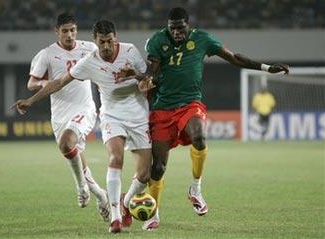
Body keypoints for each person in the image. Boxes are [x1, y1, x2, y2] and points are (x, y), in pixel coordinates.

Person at [119, 7, 290, 230]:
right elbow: (153, 70)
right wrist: (144, 78)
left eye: (181, 28)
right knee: (158, 167)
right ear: (167, 27)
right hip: (162, 108)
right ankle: (154, 215)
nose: (177, 33)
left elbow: (234, 58)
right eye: (173, 29)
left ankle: (195, 188)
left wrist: (267, 68)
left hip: (190, 102)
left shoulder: (203, 39)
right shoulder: (157, 41)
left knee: (200, 137)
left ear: (188, 25)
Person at [12, 20, 152, 234]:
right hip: (111, 114)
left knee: (145, 174)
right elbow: (58, 82)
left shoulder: (130, 51)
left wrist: (137, 76)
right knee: (115, 158)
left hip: (138, 115)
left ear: (116, 38)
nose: (105, 46)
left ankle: (125, 202)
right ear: (96, 41)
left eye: (109, 42)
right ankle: (115, 218)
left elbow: (147, 79)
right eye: (102, 42)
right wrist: (31, 101)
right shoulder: (88, 61)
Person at [21, 12, 110, 221]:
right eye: (65, 31)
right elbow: (31, 83)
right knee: (72, 151)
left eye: (72, 30)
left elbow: (105, 68)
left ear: (76, 30)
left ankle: (80, 188)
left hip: (85, 108)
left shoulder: (90, 48)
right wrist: (44, 84)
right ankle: (100, 195)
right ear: (56, 32)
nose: (69, 35)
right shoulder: (47, 54)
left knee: (67, 142)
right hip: (60, 114)